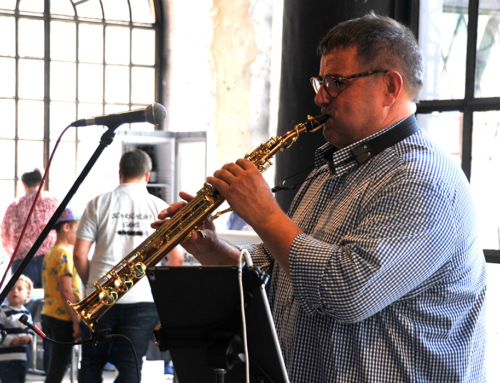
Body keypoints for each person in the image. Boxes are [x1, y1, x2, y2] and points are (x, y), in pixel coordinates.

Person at [154, 13, 487, 382]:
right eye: (320, 81)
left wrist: (264, 214)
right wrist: (210, 247)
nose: (319, 97)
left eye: (335, 82)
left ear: (391, 88)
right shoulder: (329, 171)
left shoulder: (421, 179)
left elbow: (347, 292)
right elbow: (273, 274)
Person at [74, 149, 184, 383]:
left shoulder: (97, 204)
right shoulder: (159, 207)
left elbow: (79, 254)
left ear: (120, 173)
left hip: (100, 296)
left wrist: (89, 286)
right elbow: (177, 259)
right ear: (147, 176)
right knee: (131, 365)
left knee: (92, 364)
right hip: (142, 301)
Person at [41, 208, 82, 383]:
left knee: (57, 363)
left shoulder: (51, 252)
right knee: (59, 366)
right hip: (63, 316)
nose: (79, 234)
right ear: (66, 228)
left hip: (49, 313)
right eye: (77, 229)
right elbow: (66, 290)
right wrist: (76, 321)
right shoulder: (64, 253)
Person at [1, 169, 59, 288]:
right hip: (49, 257)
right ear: (41, 183)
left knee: (22, 301)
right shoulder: (52, 202)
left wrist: (12, 253)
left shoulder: (14, 206)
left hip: (21, 259)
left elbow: (4, 233)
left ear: (24, 184)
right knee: (48, 298)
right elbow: (62, 228)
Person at [0, 275, 35, 383]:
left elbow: (32, 330)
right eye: (11, 288)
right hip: (6, 359)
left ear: (27, 296)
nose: (15, 291)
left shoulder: (27, 313)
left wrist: (28, 338)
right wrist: (11, 340)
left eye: (19, 289)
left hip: (22, 357)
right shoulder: (3, 312)